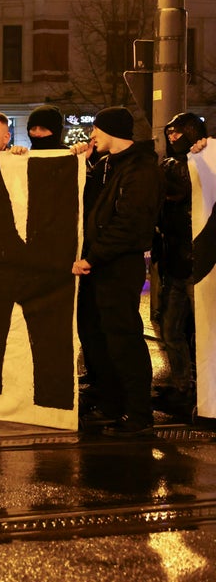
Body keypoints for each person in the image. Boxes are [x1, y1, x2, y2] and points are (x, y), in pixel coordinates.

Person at [71, 106, 163, 437]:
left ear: (112, 131)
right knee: (97, 336)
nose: (92, 135)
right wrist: (79, 162)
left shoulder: (141, 170)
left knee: (123, 339)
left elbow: (131, 225)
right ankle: (111, 403)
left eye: (96, 129)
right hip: (98, 265)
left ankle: (139, 413)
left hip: (118, 266)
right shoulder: (107, 166)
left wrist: (91, 258)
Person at [154, 112, 208, 421]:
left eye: (179, 133)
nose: (173, 138)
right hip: (174, 262)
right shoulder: (168, 166)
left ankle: (204, 390)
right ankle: (181, 386)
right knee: (171, 329)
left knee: (201, 331)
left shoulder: (204, 161)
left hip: (198, 263)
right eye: (170, 133)